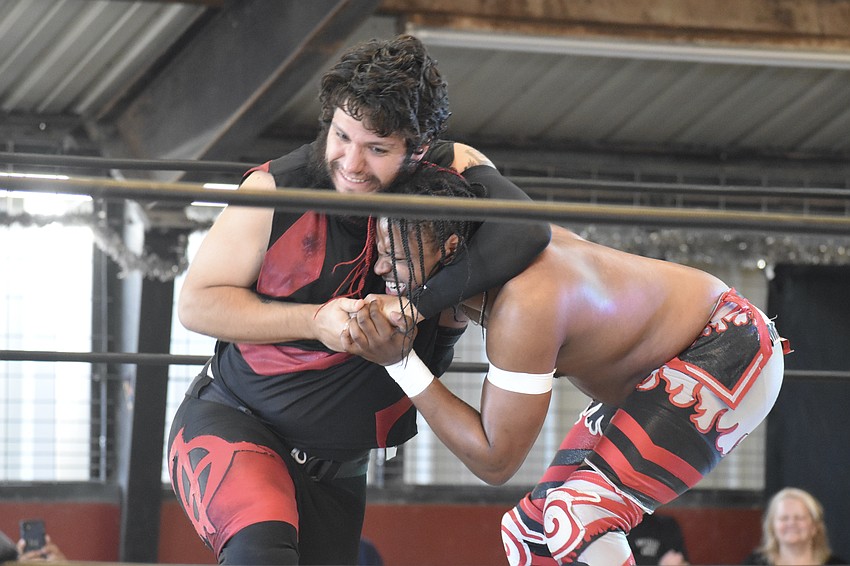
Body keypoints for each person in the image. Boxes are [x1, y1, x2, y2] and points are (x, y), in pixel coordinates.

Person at [168, 34, 550, 565]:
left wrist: (412, 305)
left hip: (342, 466)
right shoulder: (279, 189)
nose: (351, 163)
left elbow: (529, 231)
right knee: (263, 554)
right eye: (341, 136)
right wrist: (315, 320)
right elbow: (197, 305)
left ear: (417, 150)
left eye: (377, 148)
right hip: (238, 421)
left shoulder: (448, 174)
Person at [343, 164, 790, 565]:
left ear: (451, 247)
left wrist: (400, 362)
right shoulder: (496, 245)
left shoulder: (525, 303)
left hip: (728, 345)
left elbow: (495, 461)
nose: (382, 267)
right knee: (529, 532)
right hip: (657, 370)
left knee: (578, 513)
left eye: (397, 257)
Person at [741, 487, 845, 565]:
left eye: (799, 518)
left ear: (814, 526)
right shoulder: (754, 563)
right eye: (784, 518)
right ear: (772, 527)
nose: (791, 523)